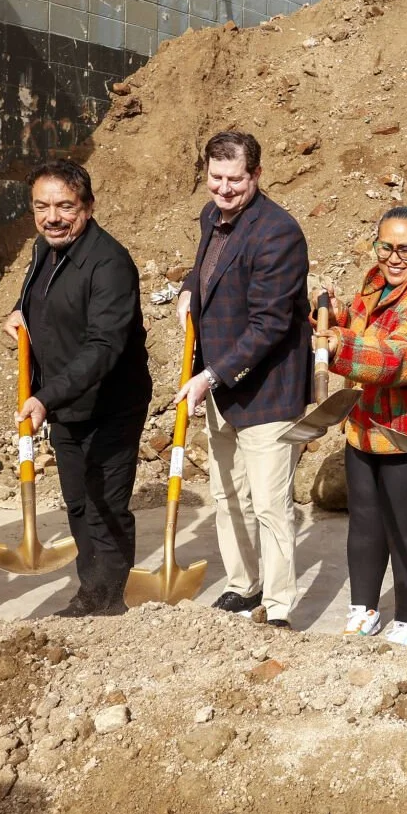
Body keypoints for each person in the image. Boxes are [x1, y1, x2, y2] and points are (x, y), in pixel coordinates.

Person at [2, 160, 152, 618]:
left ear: (87, 207)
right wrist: (19, 311)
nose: (52, 217)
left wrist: (46, 397)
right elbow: (39, 296)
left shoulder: (110, 264)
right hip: (65, 403)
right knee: (78, 503)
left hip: (109, 405)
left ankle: (106, 603)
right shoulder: (43, 250)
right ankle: (92, 592)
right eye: (41, 207)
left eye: (65, 206)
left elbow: (104, 346)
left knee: (105, 505)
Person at [175, 131, 312, 629]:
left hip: (266, 390)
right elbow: (208, 270)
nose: (224, 188)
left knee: (271, 504)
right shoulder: (211, 216)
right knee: (228, 493)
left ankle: (277, 606)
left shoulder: (278, 233)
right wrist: (188, 288)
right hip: (220, 387)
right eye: (216, 178)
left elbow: (270, 324)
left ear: (256, 174)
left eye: (235, 179)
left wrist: (210, 376)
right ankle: (242, 584)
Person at [321, 206, 407, 646]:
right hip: (366, 424)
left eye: (406, 249)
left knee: (406, 529)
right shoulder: (375, 282)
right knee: (365, 522)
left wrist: (340, 346)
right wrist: (337, 319)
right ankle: (363, 609)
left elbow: (401, 358)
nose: (394, 258)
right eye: (386, 247)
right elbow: (368, 333)